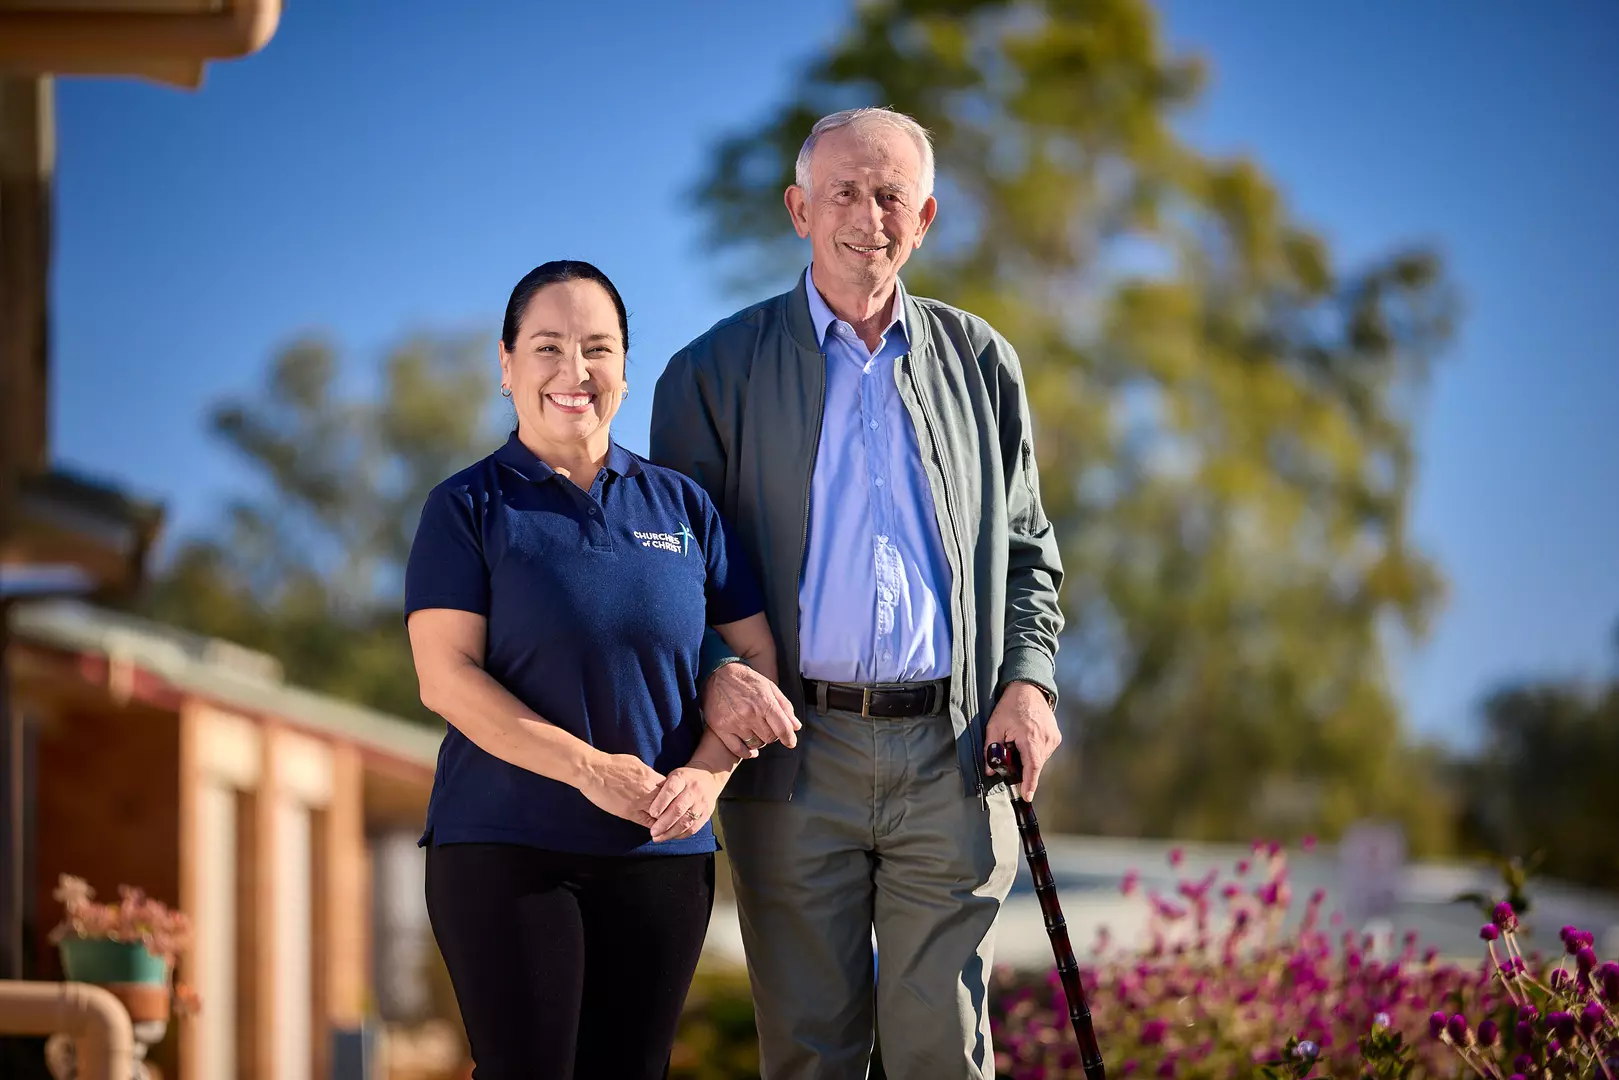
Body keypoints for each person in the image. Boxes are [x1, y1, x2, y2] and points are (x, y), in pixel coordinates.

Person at [650, 107, 1066, 1080]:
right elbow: (672, 571)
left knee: (941, 1059)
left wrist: (1029, 685)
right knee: (808, 1057)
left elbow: (1027, 552)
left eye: (889, 197)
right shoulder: (711, 374)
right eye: (841, 192)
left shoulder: (982, 365)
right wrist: (717, 675)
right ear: (798, 209)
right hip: (792, 760)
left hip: (951, 756)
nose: (865, 217)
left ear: (924, 217)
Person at [404, 260, 782, 1080]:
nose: (574, 372)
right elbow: (446, 677)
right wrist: (588, 771)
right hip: (504, 851)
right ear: (505, 366)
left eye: (597, 349)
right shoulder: (467, 508)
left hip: (661, 859)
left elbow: (755, 661)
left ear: (622, 367)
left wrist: (708, 778)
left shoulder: (683, 507)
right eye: (547, 347)